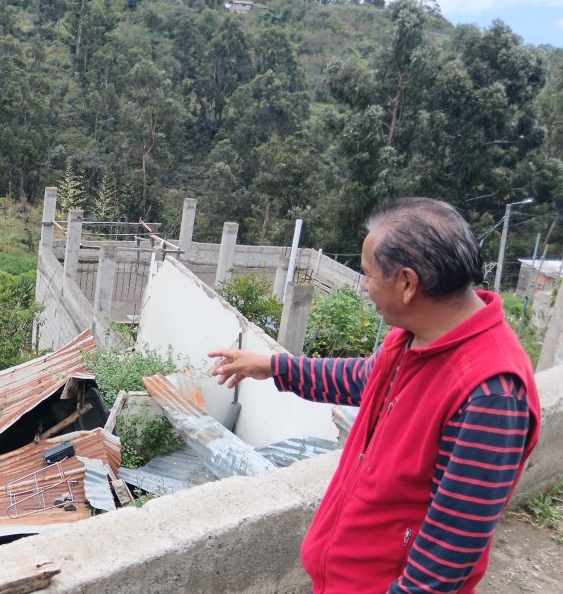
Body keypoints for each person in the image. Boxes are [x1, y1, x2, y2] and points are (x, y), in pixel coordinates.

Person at [209, 197, 540, 593]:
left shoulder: (490, 395)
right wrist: (274, 367)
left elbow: (447, 554)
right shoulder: (414, 339)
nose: (363, 286)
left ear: (406, 283)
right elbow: (367, 378)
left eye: (367, 274)